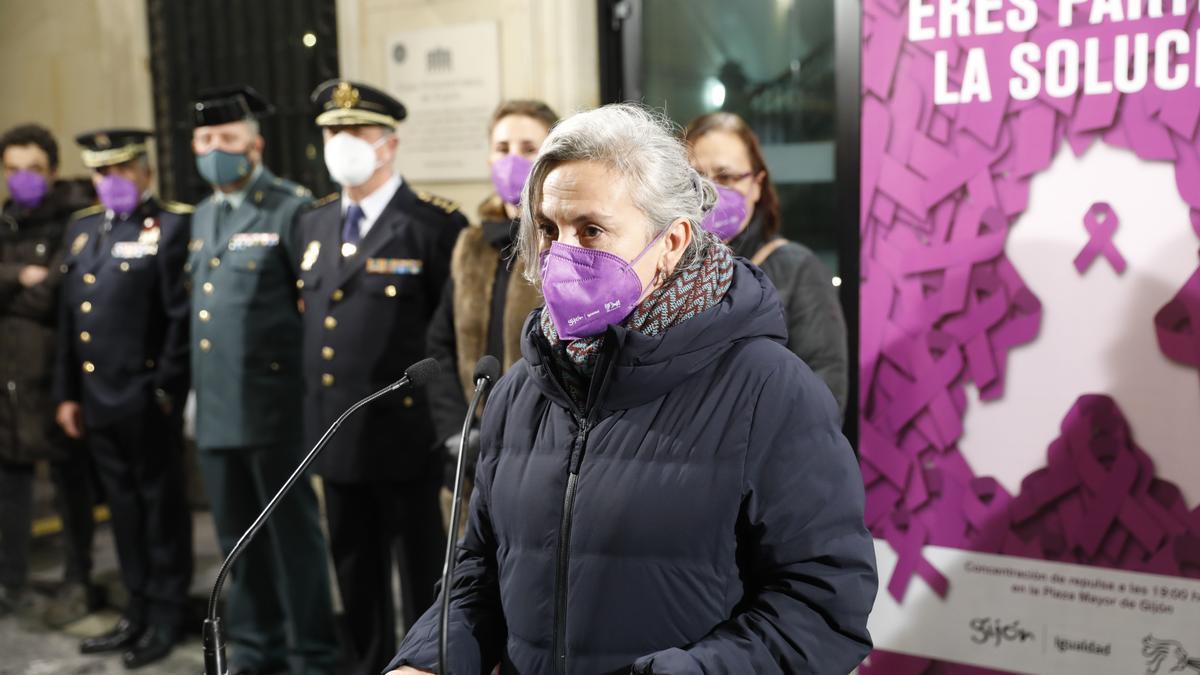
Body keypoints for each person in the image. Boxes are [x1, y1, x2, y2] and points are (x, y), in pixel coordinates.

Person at [386, 104, 877, 674]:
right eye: (548, 229)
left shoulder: (769, 389)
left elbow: (823, 607)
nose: (561, 252)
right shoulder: (522, 389)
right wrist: (427, 660)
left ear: (671, 242)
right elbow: (479, 572)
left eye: (590, 229)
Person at [295, 78, 466, 675]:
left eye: (352, 131)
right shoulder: (312, 224)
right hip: (336, 437)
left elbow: (449, 340)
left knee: (421, 579)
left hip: (408, 441)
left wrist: (451, 432)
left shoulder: (434, 224)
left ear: (387, 144)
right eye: (330, 131)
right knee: (355, 579)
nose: (339, 142)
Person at [188, 85, 338, 675]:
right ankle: (255, 648)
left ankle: (313, 653)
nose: (214, 149)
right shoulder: (202, 214)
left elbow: (310, 308)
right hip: (218, 407)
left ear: (255, 145)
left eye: (226, 139)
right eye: (204, 140)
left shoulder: (290, 206)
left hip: (275, 407)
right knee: (236, 546)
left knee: (291, 539)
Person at [52, 129, 193, 668]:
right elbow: (71, 321)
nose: (110, 182)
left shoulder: (173, 225)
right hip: (96, 398)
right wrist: (68, 395)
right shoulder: (84, 229)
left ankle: (166, 614)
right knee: (124, 511)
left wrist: (165, 393)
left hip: (145, 397)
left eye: (121, 170)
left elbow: (179, 323)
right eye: (101, 173)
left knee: (161, 509)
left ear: (145, 172)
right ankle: (135, 610)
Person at [425, 99, 554, 506]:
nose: (513, 160)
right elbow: (440, 345)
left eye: (528, 148)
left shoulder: (565, 241)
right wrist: (457, 431)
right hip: (472, 451)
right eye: (503, 148)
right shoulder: (472, 244)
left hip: (542, 451)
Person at [685, 111, 849, 414]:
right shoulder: (667, 270)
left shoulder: (796, 268)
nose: (709, 190)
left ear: (757, 184)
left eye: (726, 176)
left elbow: (825, 392)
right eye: (696, 177)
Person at [0, 123, 97, 627]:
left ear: (52, 171)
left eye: (33, 170)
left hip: (54, 378)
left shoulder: (71, 222)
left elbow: (56, 295)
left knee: (70, 484)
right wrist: (20, 276)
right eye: (13, 170)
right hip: (8, 380)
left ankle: (79, 578)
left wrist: (14, 290)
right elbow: (32, 289)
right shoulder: (5, 222)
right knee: (10, 486)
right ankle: (10, 580)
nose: (22, 180)